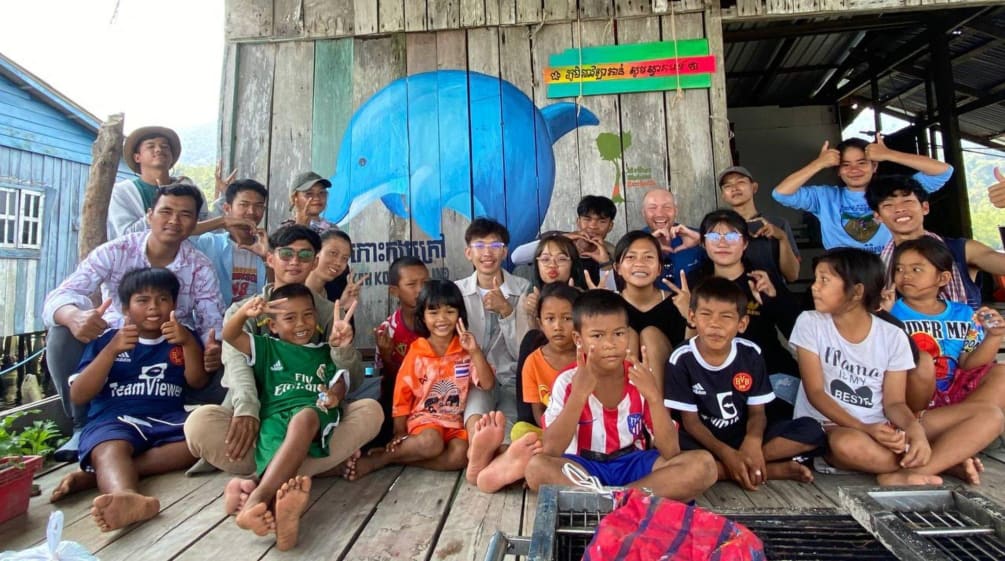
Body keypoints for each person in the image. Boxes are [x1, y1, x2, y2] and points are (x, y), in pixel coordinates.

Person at [44, 182, 225, 461]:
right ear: (150, 215)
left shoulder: (200, 266)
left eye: (186, 214)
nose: (174, 221)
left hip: (172, 350)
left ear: (195, 222)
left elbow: (211, 321)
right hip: (117, 345)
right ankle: (81, 425)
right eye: (166, 211)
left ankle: (183, 419)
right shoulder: (115, 251)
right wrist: (74, 316)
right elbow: (62, 295)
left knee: (229, 365)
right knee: (61, 330)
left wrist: (212, 347)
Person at [183, 225, 381, 480]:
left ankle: (263, 478)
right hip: (257, 418)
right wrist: (247, 410)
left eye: (305, 255)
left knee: (370, 411)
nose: (295, 262)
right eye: (286, 254)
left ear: (314, 262)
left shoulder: (329, 312)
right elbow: (237, 365)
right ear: (270, 258)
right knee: (199, 423)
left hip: (313, 415)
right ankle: (316, 468)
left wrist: (342, 350)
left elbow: (350, 381)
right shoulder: (243, 310)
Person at [791, 247, 1002, 485]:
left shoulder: (892, 335)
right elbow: (816, 393)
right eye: (817, 279)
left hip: (886, 425)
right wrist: (866, 428)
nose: (814, 286)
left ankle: (911, 471)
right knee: (847, 445)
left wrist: (914, 429)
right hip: (835, 427)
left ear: (857, 291)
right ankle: (944, 462)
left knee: (989, 415)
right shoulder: (810, 323)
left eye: (824, 280)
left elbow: (894, 403)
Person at [49, 268, 208, 532]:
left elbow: (197, 382)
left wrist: (189, 344)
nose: (153, 308)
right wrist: (111, 351)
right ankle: (126, 496)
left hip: (167, 419)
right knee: (109, 447)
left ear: (174, 305)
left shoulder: (182, 336)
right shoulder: (107, 341)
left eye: (162, 299)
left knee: (205, 441)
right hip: (115, 420)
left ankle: (95, 477)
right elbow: (78, 395)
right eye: (142, 301)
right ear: (125, 308)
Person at [523, 290, 716, 500]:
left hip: (634, 464)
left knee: (704, 465)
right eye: (597, 335)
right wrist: (578, 395)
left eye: (619, 333)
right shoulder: (567, 381)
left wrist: (653, 396)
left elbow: (670, 451)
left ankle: (615, 501)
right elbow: (551, 449)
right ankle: (628, 503)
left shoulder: (639, 377)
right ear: (578, 339)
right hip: (584, 469)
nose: (610, 344)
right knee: (536, 468)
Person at [222, 283, 356, 550]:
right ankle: (283, 524)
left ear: (317, 318)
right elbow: (230, 335)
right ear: (272, 325)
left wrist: (335, 396)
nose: (301, 323)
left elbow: (341, 378)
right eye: (290, 318)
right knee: (278, 462)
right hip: (274, 418)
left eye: (307, 315)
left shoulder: (323, 351)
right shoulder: (267, 348)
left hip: (314, 413)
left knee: (305, 418)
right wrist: (243, 315)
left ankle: (255, 497)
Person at [665, 277, 824, 490]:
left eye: (726, 317)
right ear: (692, 317)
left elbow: (758, 412)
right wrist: (726, 453)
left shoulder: (750, 354)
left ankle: (736, 466)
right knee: (671, 446)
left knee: (812, 431)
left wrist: (752, 441)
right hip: (705, 439)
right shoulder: (681, 358)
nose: (715, 324)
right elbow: (691, 422)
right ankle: (768, 469)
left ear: (742, 324)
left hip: (742, 432)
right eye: (706, 314)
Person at [347, 280, 494, 479]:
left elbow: (487, 384)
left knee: (461, 455)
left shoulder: (466, 350)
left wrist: (475, 352)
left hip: (454, 423)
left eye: (450, 312)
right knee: (431, 443)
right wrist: (399, 432)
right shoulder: (417, 352)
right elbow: (402, 393)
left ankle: (395, 458)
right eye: (433, 313)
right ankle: (378, 461)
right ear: (423, 318)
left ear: (460, 315)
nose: (442, 319)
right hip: (424, 421)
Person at [677, 210, 802, 401]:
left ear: (745, 243)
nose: (722, 242)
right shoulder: (692, 284)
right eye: (713, 236)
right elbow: (684, 352)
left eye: (732, 235)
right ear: (703, 243)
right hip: (713, 378)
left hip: (770, 371)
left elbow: (799, 334)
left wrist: (773, 301)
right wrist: (690, 315)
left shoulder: (762, 279)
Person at [772, 135, 952, 253]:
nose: (854, 170)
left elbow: (943, 171)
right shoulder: (824, 197)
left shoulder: (895, 190)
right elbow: (781, 193)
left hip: (891, 271)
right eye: (846, 165)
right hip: (844, 274)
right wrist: (818, 164)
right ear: (838, 171)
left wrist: (889, 154)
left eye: (862, 163)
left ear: (874, 166)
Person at [889, 237, 1005, 411]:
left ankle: (966, 418)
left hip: (955, 394)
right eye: (899, 269)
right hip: (910, 399)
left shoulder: (964, 314)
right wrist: (881, 315)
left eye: (917, 269)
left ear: (943, 278)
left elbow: (970, 365)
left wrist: (994, 336)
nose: (905, 275)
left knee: (1001, 373)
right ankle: (928, 422)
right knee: (922, 363)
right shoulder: (889, 313)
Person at [867, 174, 1005, 310]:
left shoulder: (962, 250)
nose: (899, 209)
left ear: (925, 207)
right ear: (878, 216)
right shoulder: (875, 266)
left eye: (907, 201)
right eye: (888, 205)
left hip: (964, 332)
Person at [455, 218, 530, 436]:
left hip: (512, 381)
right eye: (479, 245)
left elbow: (522, 351)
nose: (487, 253)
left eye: (495, 246)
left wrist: (507, 311)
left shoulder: (522, 289)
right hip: (473, 381)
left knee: (507, 435)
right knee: (475, 425)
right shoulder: (457, 292)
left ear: (505, 252)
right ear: (468, 253)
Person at [107, 126, 238, 240]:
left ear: (171, 157)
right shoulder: (122, 192)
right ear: (137, 157)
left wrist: (225, 196)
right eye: (151, 146)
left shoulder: (189, 188)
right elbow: (124, 235)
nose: (159, 149)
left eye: (165, 146)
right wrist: (161, 209)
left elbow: (207, 227)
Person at [613, 231, 688, 392]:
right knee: (627, 334)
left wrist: (691, 316)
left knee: (651, 335)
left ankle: (658, 414)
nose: (640, 263)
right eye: (631, 257)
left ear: (660, 268)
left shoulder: (679, 302)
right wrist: (596, 310)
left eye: (648, 257)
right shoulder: (609, 305)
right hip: (619, 393)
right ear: (617, 268)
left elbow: (691, 353)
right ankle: (626, 411)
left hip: (671, 391)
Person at [371, 256, 431, 448]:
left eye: (425, 283)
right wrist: (387, 357)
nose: (421, 290)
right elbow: (389, 384)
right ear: (395, 291)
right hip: (400, 404)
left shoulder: (439, 323)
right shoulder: (387, 329)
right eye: (411, 284)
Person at [513, 283, 579, 437]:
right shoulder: (532, 362)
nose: (558, 326)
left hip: (585, 429)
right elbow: (538, 415)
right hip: (549, 430)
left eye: (567, 318)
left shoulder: (587, 358)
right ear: (540, 323)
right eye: (550, 319)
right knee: (520, 431)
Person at [717, 166, 801, 283]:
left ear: (754, 187)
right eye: (727, 186)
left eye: (740, 182)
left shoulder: (778, 224)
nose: (734, 188)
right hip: (734, 297)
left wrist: (782, 237)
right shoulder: (718, 229)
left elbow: (792, 275)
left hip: (773, 297)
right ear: (723, 196)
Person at [193, 179, 269, 306]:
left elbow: (276, 291)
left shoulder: (268, 248)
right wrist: (222, 221)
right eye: (244, 204)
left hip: (256, 322)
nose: (251, 211)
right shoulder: (208, 243)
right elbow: (177, 233)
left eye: (259, 206)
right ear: (227, 208)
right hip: (217, 322)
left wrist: (266, 258)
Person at [511, 195, 618, 283]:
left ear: (610, 226)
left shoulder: (613, 254)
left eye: (602, 221)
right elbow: (516, 257)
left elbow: (613, 294)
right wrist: (562, 239)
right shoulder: (555, 239)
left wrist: (605, 263)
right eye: (587, 219)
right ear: (578, 222)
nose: (593, 226)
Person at [514, 233, 587, 346]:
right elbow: (522, 348)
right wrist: (533, 316)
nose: (552, 265)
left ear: (573, 264)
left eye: (561, 259)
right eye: (545, 259)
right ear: (537, 265)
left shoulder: (584, 298)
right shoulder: (528, 299)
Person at [640, 189, 704, 289]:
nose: (660, 213)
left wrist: (702, 241)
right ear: (643, 213)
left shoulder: (694, 236)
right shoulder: (634, 242)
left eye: (667, 207)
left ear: (676, 211)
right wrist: (647, 245)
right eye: (652, 208)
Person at [306, 230, 366, 306]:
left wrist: (342, 307)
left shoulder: (337, 294)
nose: (338, 263)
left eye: (345, 258)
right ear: (316, 252)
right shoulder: (292, 290)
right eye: (333, 253)